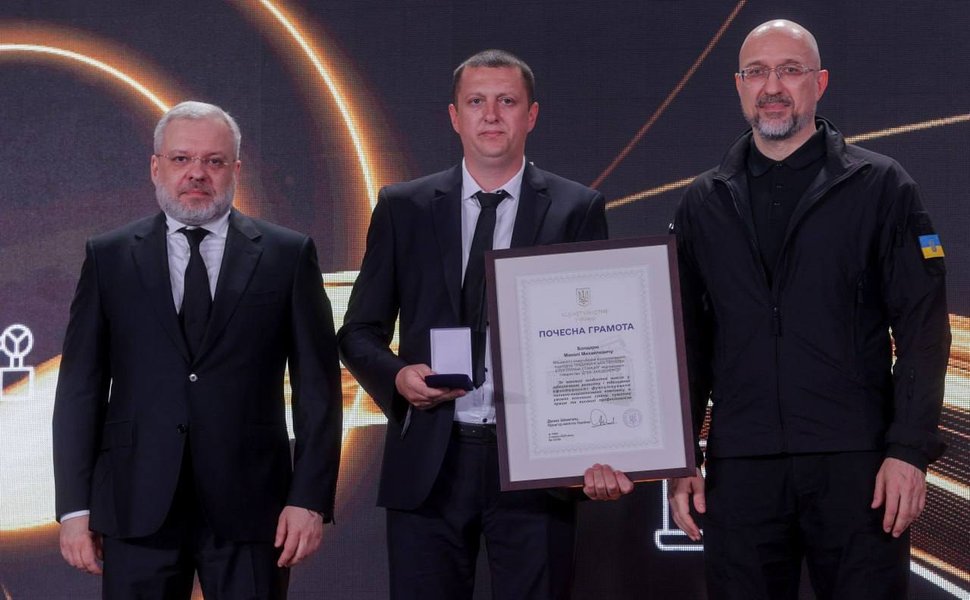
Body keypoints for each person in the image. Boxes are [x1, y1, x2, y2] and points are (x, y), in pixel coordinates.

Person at [668, 19, 950, 600]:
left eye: (790, 70)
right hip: (742, 466)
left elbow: (923, 329)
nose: (773, 86)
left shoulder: (881, 185)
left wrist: (908, 450)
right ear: (739, 86)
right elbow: (685, 341)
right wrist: (681, 455)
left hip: (858, 467)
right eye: (757, 72)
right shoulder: (702, 201)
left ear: (819, 83)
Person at [338, 49, 633, 600]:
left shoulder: (576, 208)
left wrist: (605, 440)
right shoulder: (403, 207)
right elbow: (357, 332)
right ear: (455, 116)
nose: (491, 115)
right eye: (476, 102)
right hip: (430, 461)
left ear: (531, 115)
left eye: (507, 101)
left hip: (537, 464)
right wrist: (399, 378)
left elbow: (601, 342)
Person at [52, 101, 343, 599]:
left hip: (253, 507)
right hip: (135, 503)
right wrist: (75, 507)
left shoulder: (287, 254)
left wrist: (310, 499)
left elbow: (318, 388)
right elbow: (81, 387)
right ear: (156, 167)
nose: (197, 173)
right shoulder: (109, 256)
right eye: (182, 159)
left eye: (214, 161)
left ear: (235, 169)